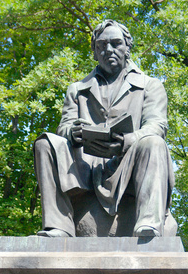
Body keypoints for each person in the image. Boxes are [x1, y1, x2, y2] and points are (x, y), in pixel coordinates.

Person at [34, 19, 174, 238]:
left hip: (128, 165)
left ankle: (148, 224)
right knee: (45, 143)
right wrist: (72, 132)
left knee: (153, 142)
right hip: (85, 168)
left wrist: (128, 140)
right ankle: (59, 226)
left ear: (128, 47)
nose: (108, 49)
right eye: (101, 45)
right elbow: (64, 127)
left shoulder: (150, 85)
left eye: (116, 43)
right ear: (94, 50)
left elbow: (156, 126)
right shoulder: (77, 89)